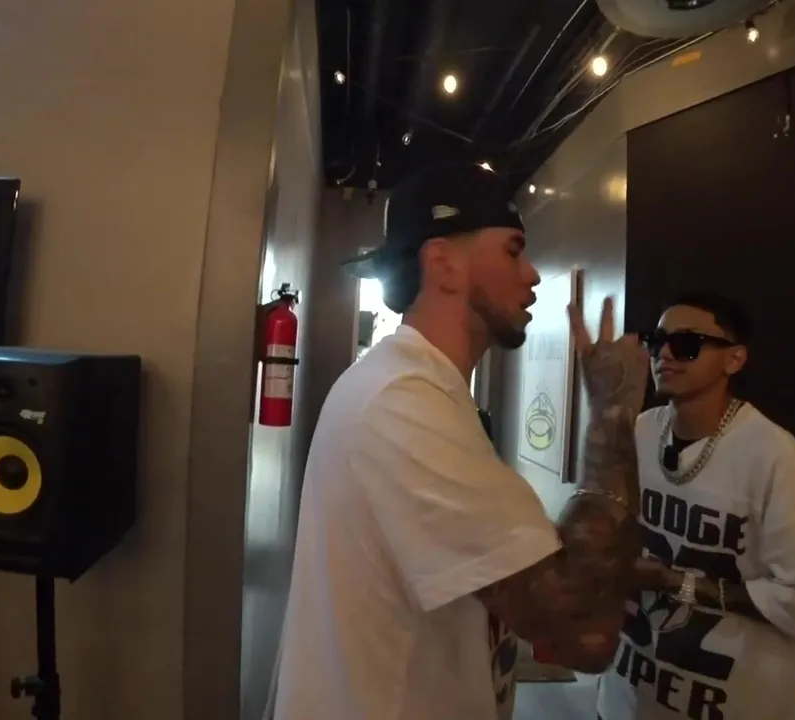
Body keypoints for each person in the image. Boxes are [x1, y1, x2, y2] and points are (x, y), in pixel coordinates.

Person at [271, 164, 649, 720]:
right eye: (514, 250)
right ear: (442, 262)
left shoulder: (419, 390)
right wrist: (612, 417)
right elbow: (582, 634)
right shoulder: (403, 402)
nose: (532, 274)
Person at [597, 292, 795, 720]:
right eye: (657, 341)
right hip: (627, 694)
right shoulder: (641, 431)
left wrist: (677, 583)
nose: (664, 355)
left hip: (727, 699)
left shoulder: (772, 456)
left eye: (686, 344)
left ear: (734, 359)